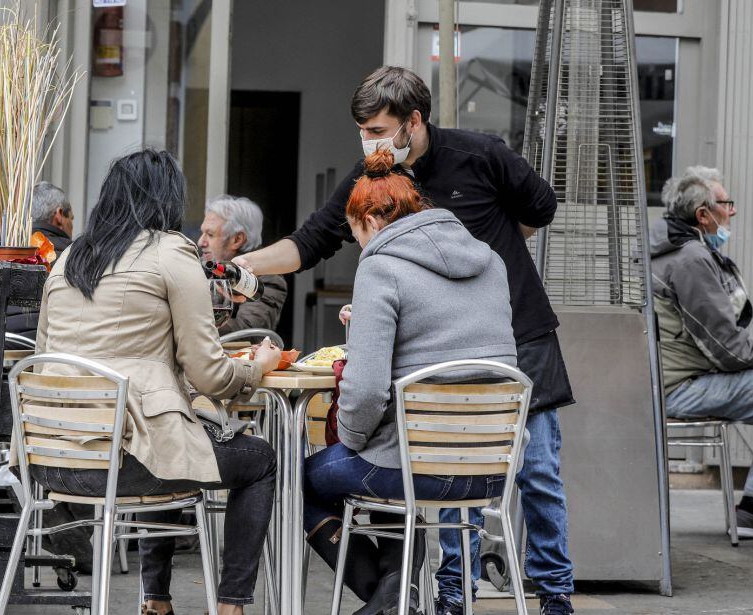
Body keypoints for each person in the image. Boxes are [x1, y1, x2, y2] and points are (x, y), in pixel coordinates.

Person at [234, 66, 575, 615]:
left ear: (413, 122)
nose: (369, 142)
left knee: (535, 471)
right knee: (444, 463)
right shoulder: (374, 178)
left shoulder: (483, 155)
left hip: (518, 336)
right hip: (439, 355)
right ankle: (448, 593)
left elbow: (539, 210)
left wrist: (492, 252)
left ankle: (554, 593)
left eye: (378, 129)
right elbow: (312, 240)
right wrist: (242, 263)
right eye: (363, 131)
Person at [34, 149, 281, 615]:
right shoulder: (170, 252)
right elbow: (210, 374)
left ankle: (157, 602)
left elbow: (44, 356)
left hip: (54, 461)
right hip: (123, 462)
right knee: (256, 459)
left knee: (170, 434)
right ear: (167, 200)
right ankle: (231, 606)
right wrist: (257, 368)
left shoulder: (66, 261)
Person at [304, 149, 517, 614]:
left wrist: (356, 440)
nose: (359, 245)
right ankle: (399, 589)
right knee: (383, 468)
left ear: (372, 221)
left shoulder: (381, 267)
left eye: (355, 234)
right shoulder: (492, 264)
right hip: (488, 471)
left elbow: (363, 396)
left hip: (412, 468)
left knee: (298, 479)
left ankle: (389, 596)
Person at [653, 167, 753, 539]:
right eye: (726, 203)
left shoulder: (667, 248)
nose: (732, 211)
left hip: (671, 379)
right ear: (703, 215)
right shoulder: (691, 259)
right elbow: (728, 350)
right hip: (682, 387)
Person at [198, 195, 287, 334]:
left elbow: (248, 331)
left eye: (210, 234)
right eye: (202, 233)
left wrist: (192, 322)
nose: (200, 242)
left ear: (237, 239)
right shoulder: (204, 267)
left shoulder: (267, 278)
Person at [7, 181, 75, 338]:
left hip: (6, 344)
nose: (72, 225)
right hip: (49, 346)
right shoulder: (73, 255)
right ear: (59, 216)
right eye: (71, 218)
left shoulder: (3, 249)